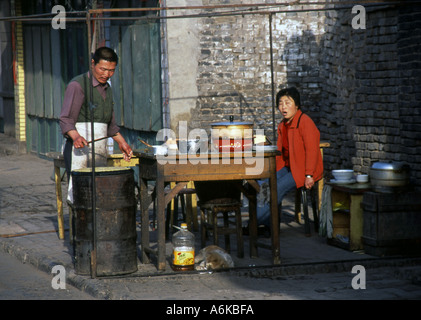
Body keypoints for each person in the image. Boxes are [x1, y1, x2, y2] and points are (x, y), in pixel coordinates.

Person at [59, 46, 132, 202]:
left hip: (99, 150)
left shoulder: (108, 89)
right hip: (78, 151)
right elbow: (65, 119)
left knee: (98, 195)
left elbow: (111, 126)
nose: (106, 74)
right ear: (93, 64)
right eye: (103, 69)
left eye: (111, 70)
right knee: (80, 197)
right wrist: (76, 136)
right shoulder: (78, 86)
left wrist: (123, 143)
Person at [253, 86, 323, 235]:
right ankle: (266, 225)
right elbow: (280, 152)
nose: (283, 107)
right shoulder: (283, 125)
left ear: (296, 105)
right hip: (289, 167)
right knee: (264, 182)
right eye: (280, 103)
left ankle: (257, 223)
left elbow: (312, 150)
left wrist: (309, 175)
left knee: (276, 188)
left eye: (287, 102)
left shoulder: (305, 122)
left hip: (303, 170)